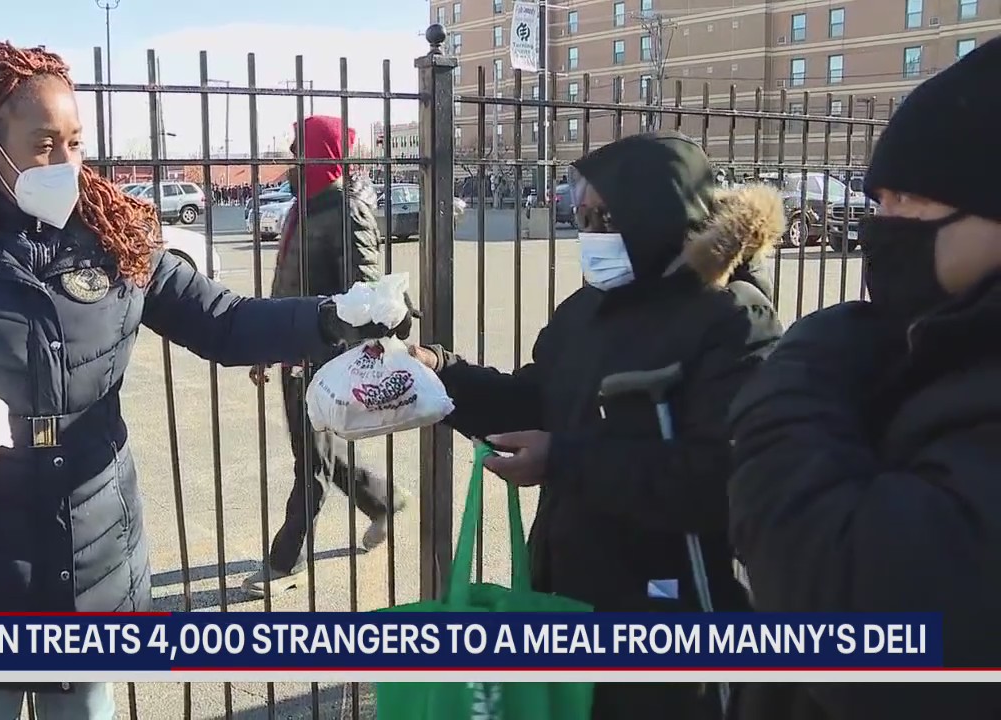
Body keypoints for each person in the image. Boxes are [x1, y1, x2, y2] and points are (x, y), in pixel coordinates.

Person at [0, 43, 410, 720]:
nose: (65, 162)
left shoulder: (115, 239)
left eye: (76, 142)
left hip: (95, 555)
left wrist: (334, 318)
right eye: (44, 142)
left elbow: (223, 322)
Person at [408, 132, 784, 719]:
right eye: (581, 217)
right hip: (571, 589)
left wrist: (563, 460)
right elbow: (534, 401)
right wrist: (440, 374)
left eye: (606, 217)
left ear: (662, 214)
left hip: (671, 608)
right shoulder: (586, 310)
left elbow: (725, 477)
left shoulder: (732, 316)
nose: (591, 234)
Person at [727, 37, 1001, 720]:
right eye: (878, 198)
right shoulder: (935, 343)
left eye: (909, 198)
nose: (883, 225)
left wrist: (802, 369)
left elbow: (857, 616)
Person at [242, 115, 406, 598]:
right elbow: (283, 286)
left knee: (309, 464)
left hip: (327, 359)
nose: (292, 156)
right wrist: (264, 345)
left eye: (299, 148)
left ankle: (284, 559)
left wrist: (350, 346)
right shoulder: (299, 206)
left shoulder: (347, 211)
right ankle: (383, 500)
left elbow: (370, 296)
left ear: (322, 152)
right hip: (293, 352)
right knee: (314, 454)